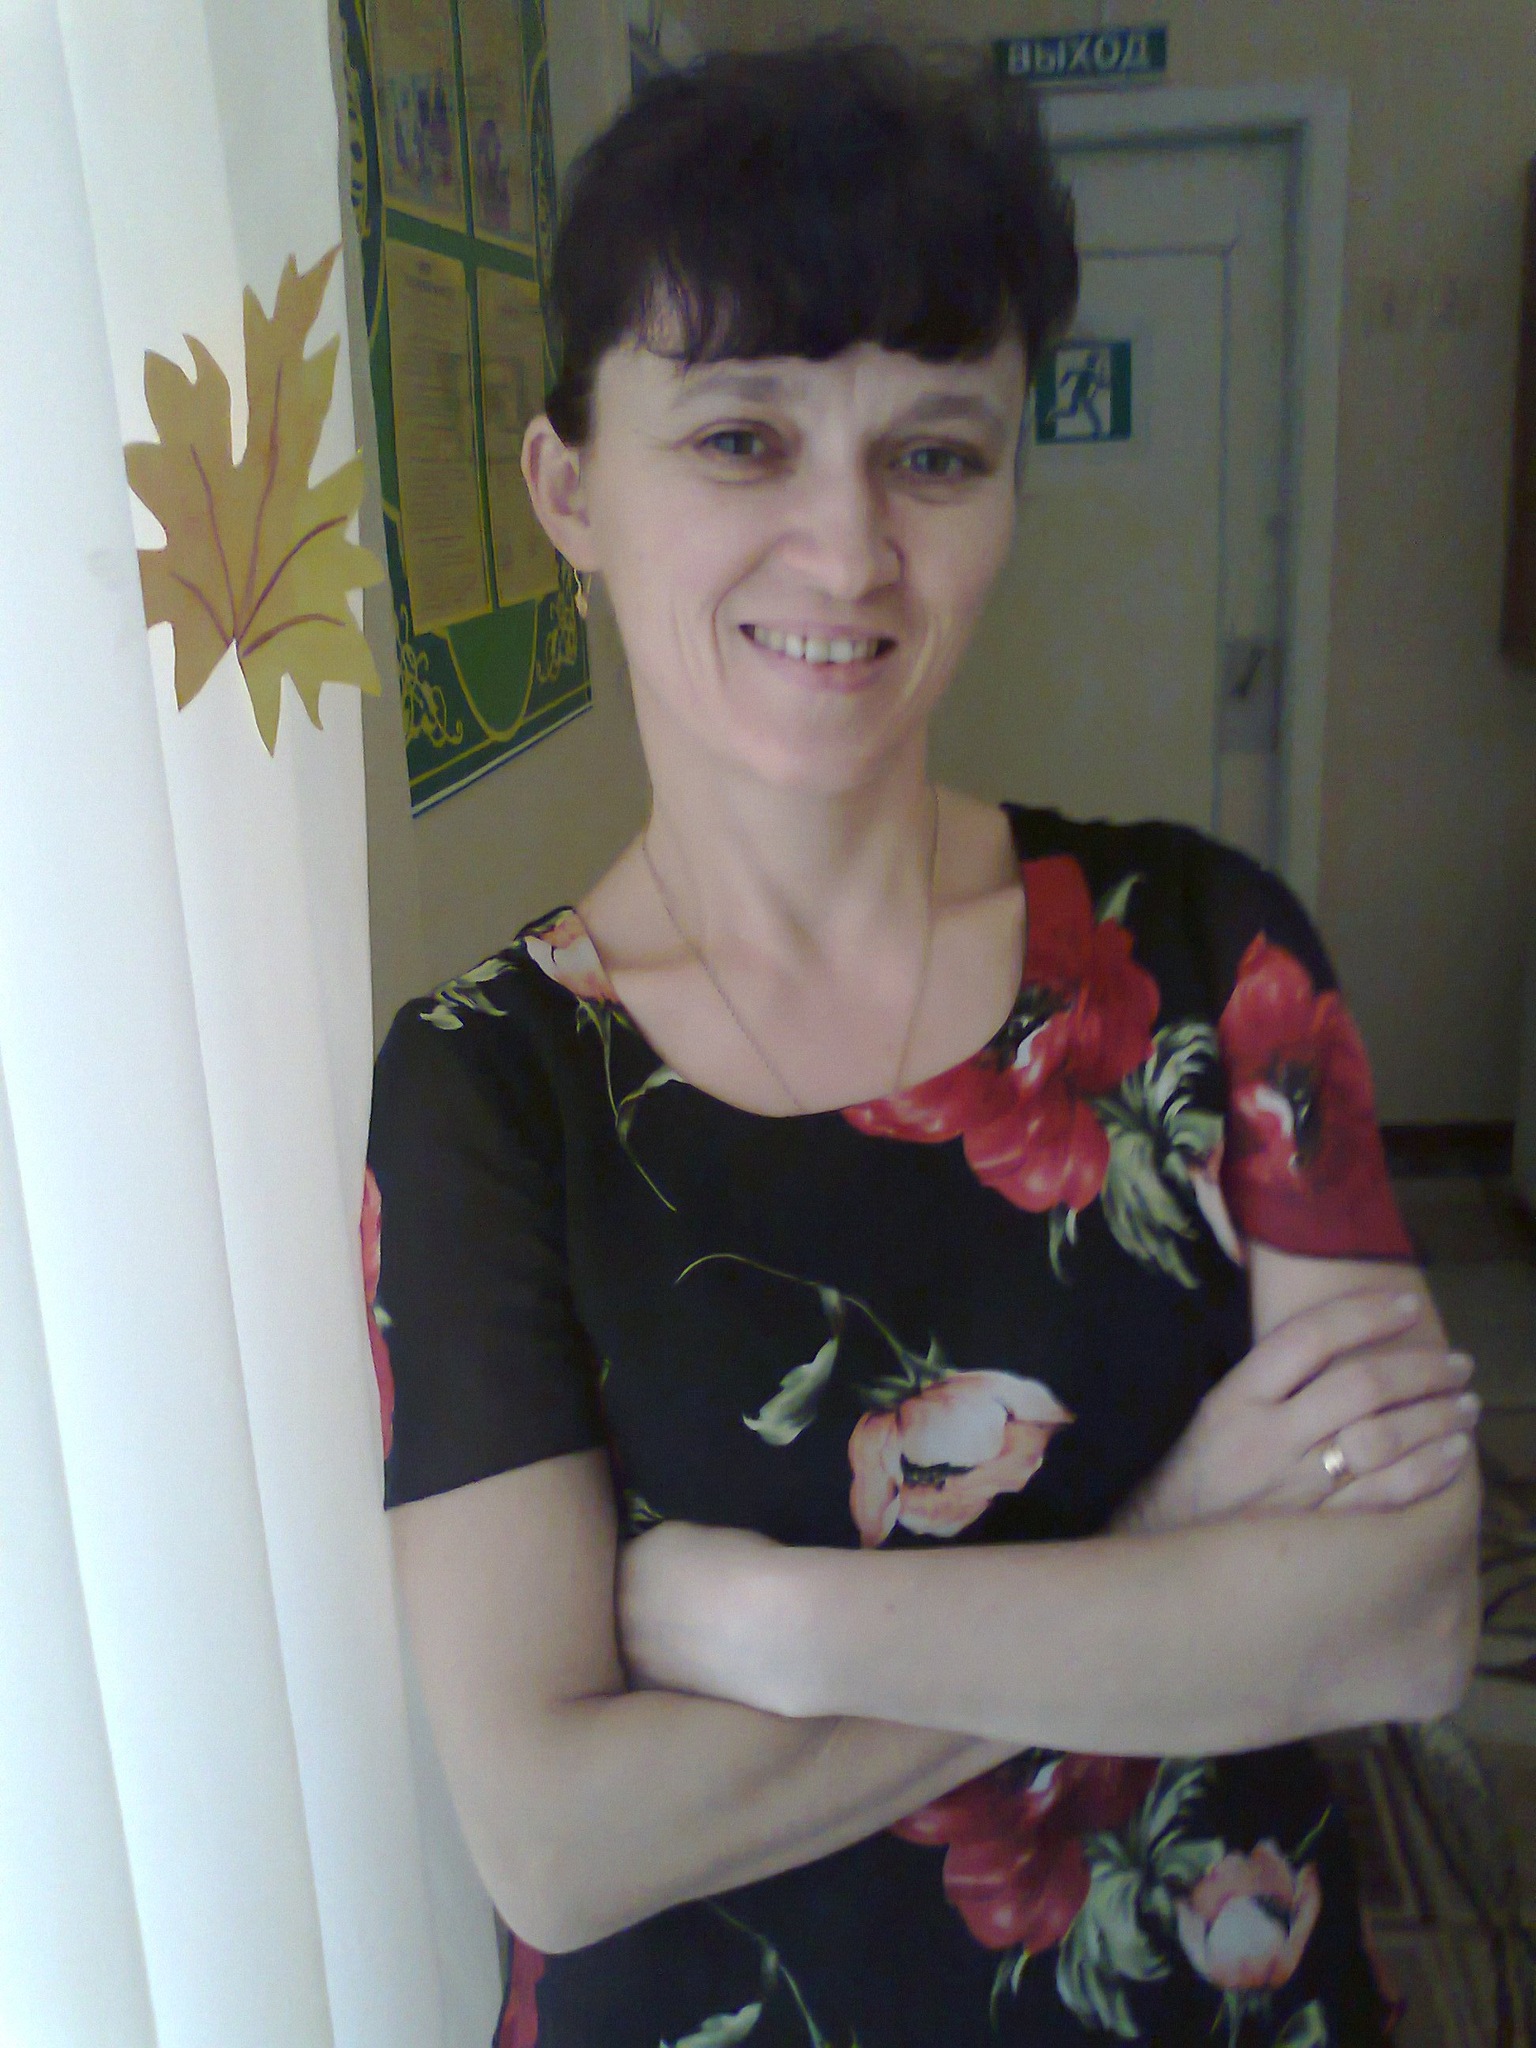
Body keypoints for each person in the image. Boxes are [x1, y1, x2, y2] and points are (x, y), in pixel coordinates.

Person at [365, 42, 1481, 2048]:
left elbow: (1400, 1620)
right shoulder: (486, 1091)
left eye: (937, 454)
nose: (849, 546)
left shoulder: (1207, 957)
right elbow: (557, 1837)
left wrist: (784, 1624)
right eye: (742, 438)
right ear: (568, 490)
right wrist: (1170, 1547)